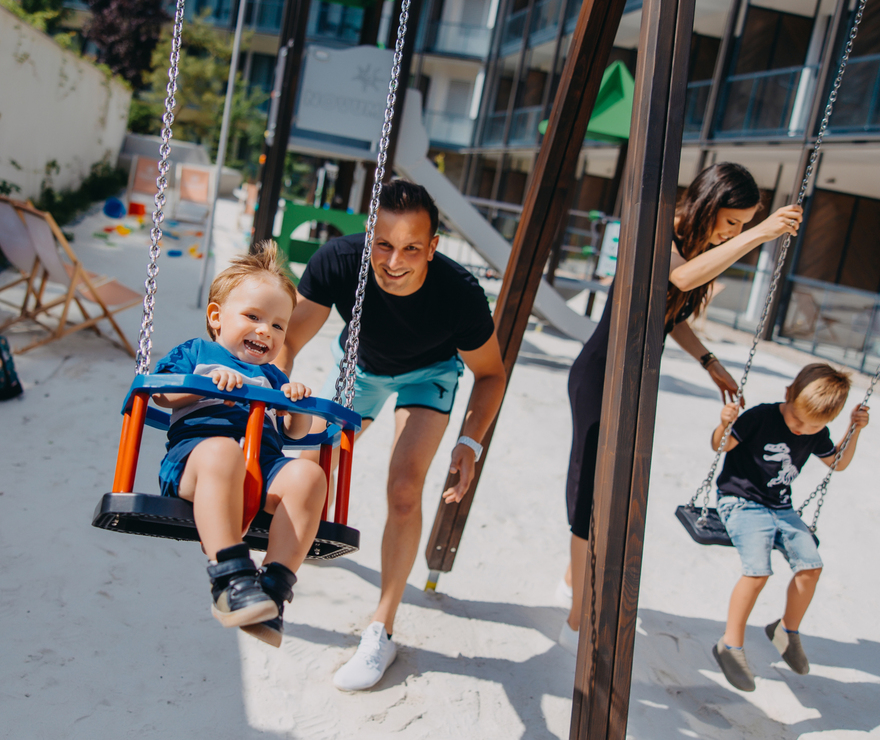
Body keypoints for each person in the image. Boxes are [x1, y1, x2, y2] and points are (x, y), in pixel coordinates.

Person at [558, 162, 805, 654]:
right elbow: (682, 277)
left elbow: (672, 313)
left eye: (742, 225)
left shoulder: (697, 246)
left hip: (633, 383)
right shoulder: (659, 231)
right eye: (730, 222)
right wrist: (759, 235)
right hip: (600, 376)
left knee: (612, 490)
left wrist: (709, 361)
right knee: (588, 495)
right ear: (709, 204)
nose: (732, 232)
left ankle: (572, 580)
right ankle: (575, 620)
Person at [276, 179, 506, 691]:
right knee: (309, 468)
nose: (394, 262)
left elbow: (491, 374)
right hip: (359, 369)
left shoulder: (460, 294)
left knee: (404, 490)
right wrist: (276, 389)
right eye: (383, 244)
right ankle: (275, 582)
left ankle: (382, 628)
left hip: (429, 375)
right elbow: (288, 340)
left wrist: (470, 442)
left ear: (433, 247)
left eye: (411, 249)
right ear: (368, 236)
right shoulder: (340, 261)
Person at [152, 241, 327, 648]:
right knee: (222, 450)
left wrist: (294, 404)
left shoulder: (273, 377)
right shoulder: (197, 353)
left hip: (262, 468)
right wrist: (204, 386)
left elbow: (295, 433)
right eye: (253, 316)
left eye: (279, 326)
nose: (266, 331)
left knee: (308, 475)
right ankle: (231, 579)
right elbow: (160, 393)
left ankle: (273, 589)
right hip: (197, 462)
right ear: (216, 317)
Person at [710, 363, 869, 691]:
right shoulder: (760, 416)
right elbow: (720, 445)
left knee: (811, 567)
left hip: (781, 507)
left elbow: (838, 462)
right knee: (758, 572)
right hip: (740, 501)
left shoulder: (816, 431)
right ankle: (731, 644)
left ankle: (786, 631)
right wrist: (725, 423)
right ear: (788, 395)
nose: (802, 430)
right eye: (798, 420)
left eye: (814, 426)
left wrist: (855, 429)